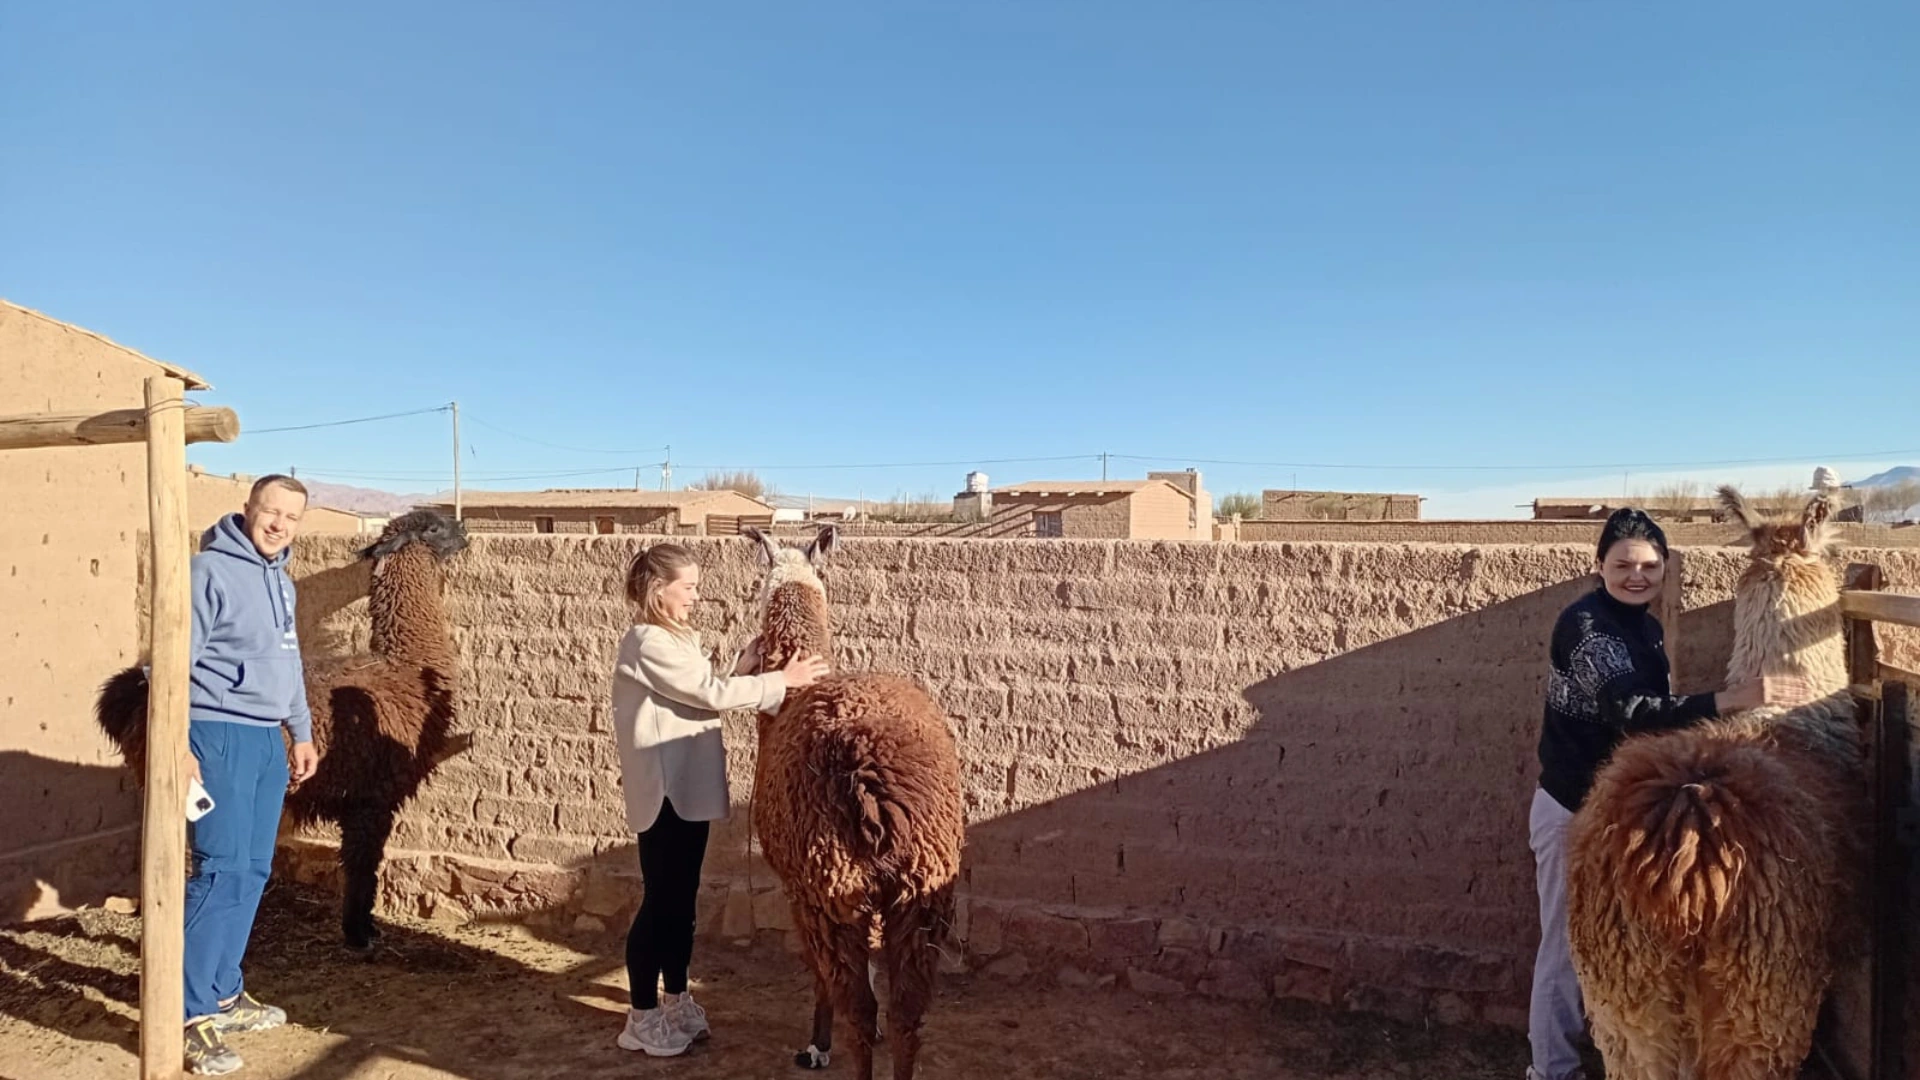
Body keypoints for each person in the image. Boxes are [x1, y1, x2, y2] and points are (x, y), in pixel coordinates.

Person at [1525, 507, 1812, 1080]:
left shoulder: (1647, 627)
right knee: (1569, 946)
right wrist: (1736, 699)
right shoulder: (1587, 628)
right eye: (1623, 565)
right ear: (1599, 566)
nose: (1637, 576)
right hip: (1573, 808)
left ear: (1664, 568)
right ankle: (1551, 1070)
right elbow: (1633, 712)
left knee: (1631, 952)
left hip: (1627, 816)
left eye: (1650, 566)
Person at [610, 544, 830, 1057]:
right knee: (660, 902)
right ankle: (641, 1016)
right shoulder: (645, 641)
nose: (695, 596)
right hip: (664, 790)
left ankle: (676, 998)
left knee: (681, 901)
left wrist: (742, 668)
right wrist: (780, 680)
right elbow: (708, 695)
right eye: (687, 587)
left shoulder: (677, 639)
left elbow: (698, 690)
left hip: (687, 789)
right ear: (658, 589)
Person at [181, 474, 321, 1077]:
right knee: (219, 870)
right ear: (247, 509)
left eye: (291, 517)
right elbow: (173, 661)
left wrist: (301, 732)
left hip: (266, 739)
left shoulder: (281, 582)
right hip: (217, 733)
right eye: (271, 512)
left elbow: (290, 665)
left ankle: (223, 993)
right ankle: (186, 1014)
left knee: (254, 869)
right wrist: (177, 745)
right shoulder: (207, 572)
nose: (279, 525)